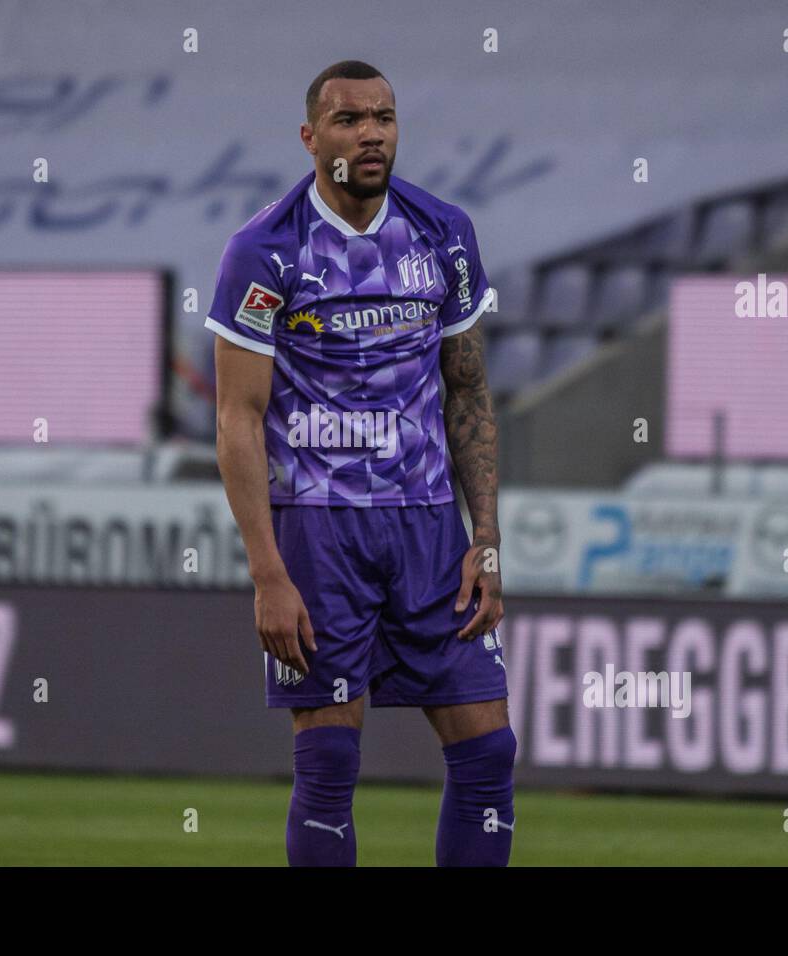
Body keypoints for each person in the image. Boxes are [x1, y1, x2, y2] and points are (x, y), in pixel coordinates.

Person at [207, 59, 514, 866]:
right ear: (311, 138)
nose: (370, 133)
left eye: (383, 116)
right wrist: (267, 573)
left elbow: (469, 396)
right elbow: (238, 420)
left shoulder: (444, 234)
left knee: (488, 752)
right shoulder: (266, 251)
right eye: (348, 119)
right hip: (318, 528)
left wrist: (484, 537)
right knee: (331, 763)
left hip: (426, 530)